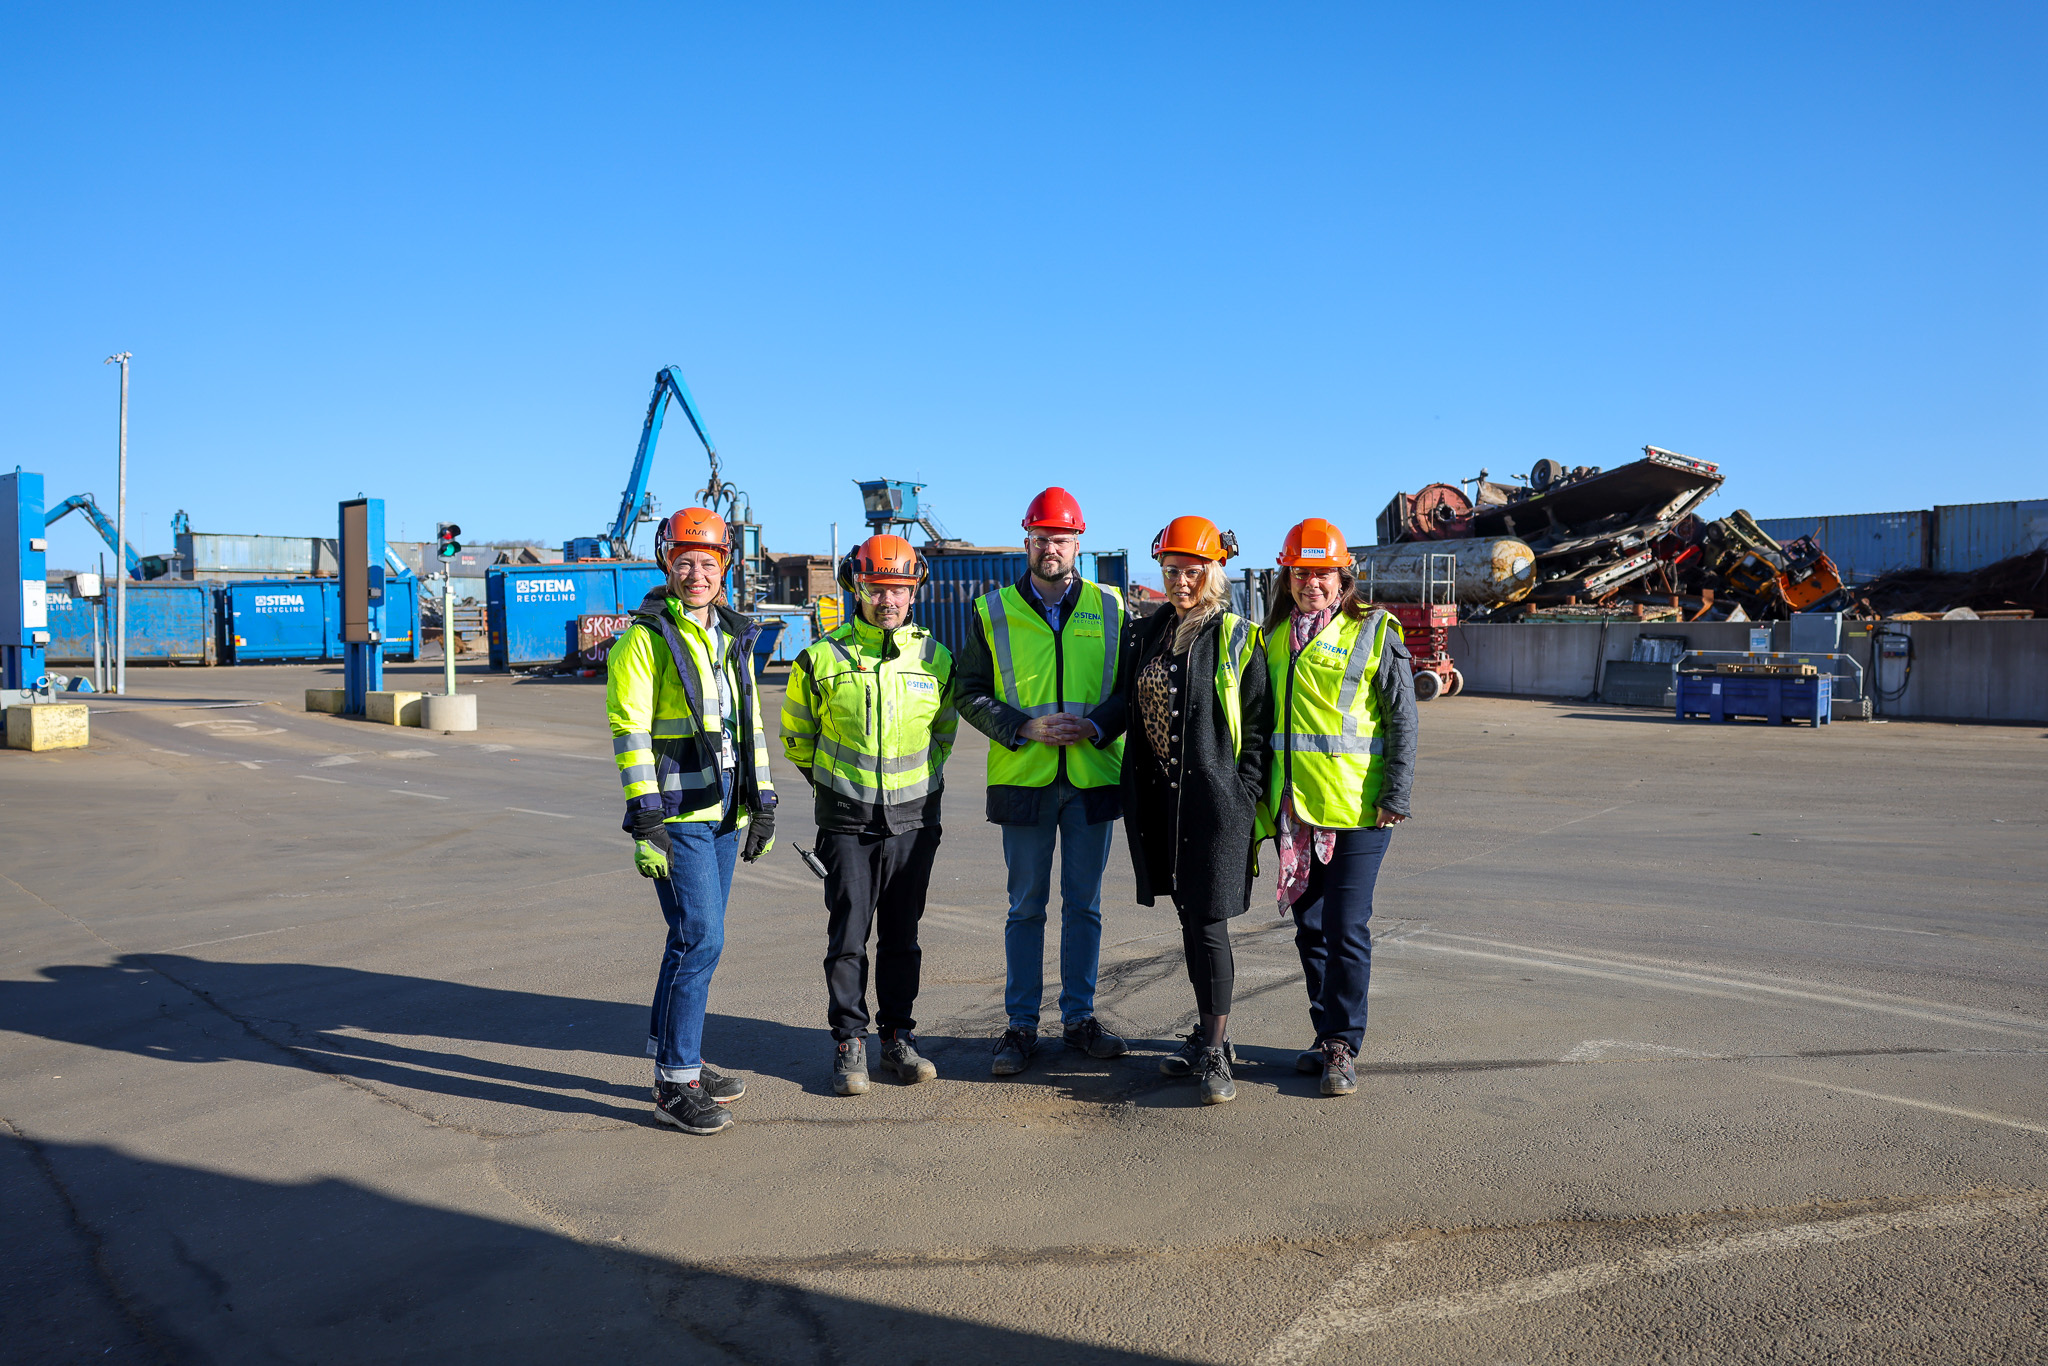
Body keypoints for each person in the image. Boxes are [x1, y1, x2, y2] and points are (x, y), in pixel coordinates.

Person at [606, 506, 778, 1136]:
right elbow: (630, 733)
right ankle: (675, 1084)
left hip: (725, 812)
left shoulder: (731, 636)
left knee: (688, 936)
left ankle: (676, 1059)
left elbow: (748, 724)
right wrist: (645, 819)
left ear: (725, 567)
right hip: (678, 815)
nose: (696, 573)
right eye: (684, 562)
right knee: (703, 938)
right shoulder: (644, 641)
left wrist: (763, 803)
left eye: (708, 562)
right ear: (666, 565)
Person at [955, 487, 1131, 1075]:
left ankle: (1079, 1019)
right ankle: (1020, 1027)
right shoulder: (992, 610)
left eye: (1061, 538)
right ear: (1026, 539)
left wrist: (1097, 724)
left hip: (1092, 778)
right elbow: (968, 693)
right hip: (1023, 781)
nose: (1050, 547)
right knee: (1025, 908)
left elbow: (1132, 692)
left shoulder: (1113, 608)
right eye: (1041, 537)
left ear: (1078, 542)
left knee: (1085, 906)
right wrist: (1023, 727)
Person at [780, 535, 957, 1096]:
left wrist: (911, 790)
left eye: (900, 590)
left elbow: (944, 735)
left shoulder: (936, 658)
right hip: (847, 822)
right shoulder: (820, 658)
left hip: (913, 822)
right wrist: (838, 793)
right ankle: (849, 1041)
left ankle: (897, 1038)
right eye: (878, 588)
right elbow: (796, 737)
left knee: (903, 937)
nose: (889, 600)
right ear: (857, 587)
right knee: (849, 935)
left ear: (913, 591)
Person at [1119, 516, 1271, 1105]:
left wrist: (1242, 795)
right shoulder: (1154, 628)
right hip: (1163, 801)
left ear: (1216, 571)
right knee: (1189, 917)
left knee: (1208, 924)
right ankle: (1209, 1036)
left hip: (1213, 805)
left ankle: (1215, 1047)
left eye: (1192, 571)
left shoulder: (1236, 635)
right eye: (1172, 570)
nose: (1181, 581)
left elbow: (1258, 728)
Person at [1264, 516, 1416, 1098]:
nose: (1314, 585)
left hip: (1360, 810)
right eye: (1303, 574)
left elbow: (1403, 718)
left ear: (1343, 576)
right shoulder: (1274, 638)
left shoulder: (1376, 631)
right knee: (1309, 928)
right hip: (1298, 810)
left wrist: (1396, 794)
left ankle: (1344, 1043)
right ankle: (1325, 1033)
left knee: (1346, 926)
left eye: (1324, 574)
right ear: (1288, 577)